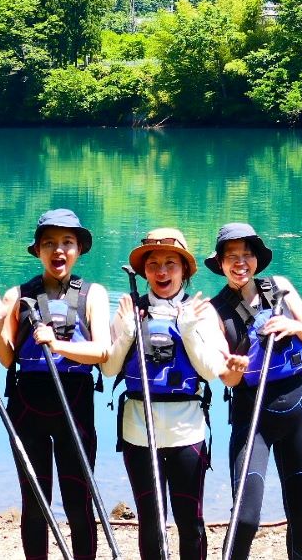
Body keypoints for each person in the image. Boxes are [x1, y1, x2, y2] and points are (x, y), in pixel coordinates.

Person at [0, 208, 110, 560]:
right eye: (49, 243)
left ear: (79, 249)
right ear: (37, 250)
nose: (58, 251)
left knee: (78, 499)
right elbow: (8, 359)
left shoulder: (93, 294)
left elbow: (102, 351)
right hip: (27, 405)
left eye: (67, 242)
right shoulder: (17, 295)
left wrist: (58, 344)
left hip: (75, 402)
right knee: (36, 501)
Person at [102, 228, 231, 560]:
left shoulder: (202, 311)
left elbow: (210, 372)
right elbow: (110, 369)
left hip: (186, 432)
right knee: (151, 522)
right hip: (138, 432)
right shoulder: (129, 308)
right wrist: (128, 330)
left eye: (171, 263)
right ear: (144, 270)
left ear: (184, 270)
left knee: (190, 523)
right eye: (154, 263)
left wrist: (188, 330)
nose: (162, 272)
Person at [206, 222, 302, 560]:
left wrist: (293, 324)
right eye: (231, 256)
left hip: (297, 406)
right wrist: (234, 367)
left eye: (246, 254)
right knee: (245, 517)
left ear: (256, 258)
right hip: (251, 414)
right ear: (221, 263)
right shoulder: (215, 311)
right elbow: (227, 380)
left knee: (301, 509)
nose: (240, 262)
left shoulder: (281, 289)